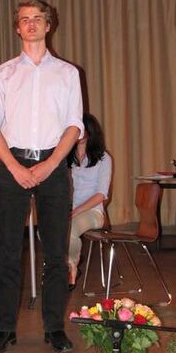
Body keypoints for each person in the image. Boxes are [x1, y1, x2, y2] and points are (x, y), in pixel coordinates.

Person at [0, 0, 83, 353]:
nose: (31, 24)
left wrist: (50, 164)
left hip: (53, 166)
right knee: (8, 252)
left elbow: (74, 125)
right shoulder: (3, 74)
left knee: (55, 254)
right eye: (24, 19)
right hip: (13, 165)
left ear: (48, 25)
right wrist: (14, 167)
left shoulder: (68, 74)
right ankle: (5, 328)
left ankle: (54, 328)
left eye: (38, 18)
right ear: (17, 28)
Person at [67, 113, 112, 290]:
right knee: (45, 231)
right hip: (69, 209)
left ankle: (71, 268)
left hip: (92, 211)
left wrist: (76, 211)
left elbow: (101, 194)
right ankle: (68, 259)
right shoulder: (66, 157)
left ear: (90, 132)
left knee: (68, 231)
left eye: (80, 128)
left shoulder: (104, 159)